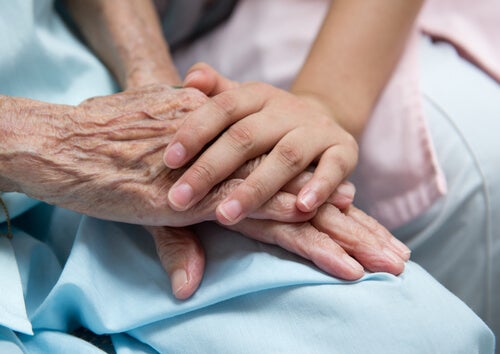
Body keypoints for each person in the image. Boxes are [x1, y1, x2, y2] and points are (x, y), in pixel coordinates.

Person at [0, 0, 495, 353]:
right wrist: (47, 142)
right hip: (51, 145)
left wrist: (154, 96)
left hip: (78, 111)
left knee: (427, 333)